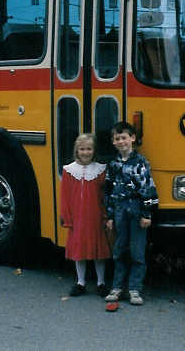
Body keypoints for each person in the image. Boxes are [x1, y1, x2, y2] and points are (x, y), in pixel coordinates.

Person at [103, 121, 157, 306]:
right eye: (117, 139)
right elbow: (108, 192)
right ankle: (117, 287)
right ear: (113, 142)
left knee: (137, 250)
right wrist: (109, 216)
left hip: (136, 210)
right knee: (119, 249)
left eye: (124, 137)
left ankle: (134, 289)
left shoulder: (141, 163)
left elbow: (148, 188)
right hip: (119, 210)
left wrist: (146, 214)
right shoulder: (113, 165)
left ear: (132, 139)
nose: (121, 141)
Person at [60, 133, 111, 297]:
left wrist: (106, 215)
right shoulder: (69, 170)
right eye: (82, 149)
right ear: (77, 150)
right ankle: (80, 282)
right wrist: (67, 217)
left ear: (94, 150)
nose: (85, 152)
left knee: (98, 251)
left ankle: (101, 282)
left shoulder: (100, 169)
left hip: (95, 216)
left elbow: (104, 195)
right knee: (79, 251)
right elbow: (65, 196)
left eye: (89, 149)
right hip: (78, 217)